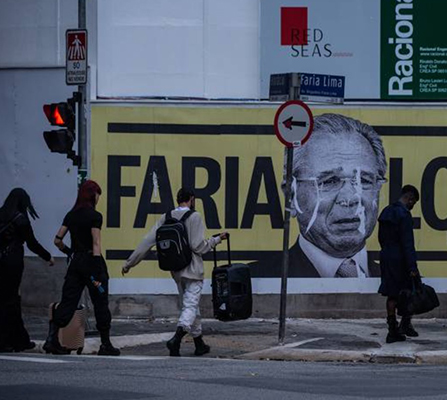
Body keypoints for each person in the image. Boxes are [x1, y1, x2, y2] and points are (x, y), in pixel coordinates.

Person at [251, 113, 387, 278]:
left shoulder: (406, 286)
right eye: (329, 182)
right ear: (291, 196)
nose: (350, 198)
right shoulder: (257, 280)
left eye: (364, 181)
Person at [121, 188, 227, 357]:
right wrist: (216, 240)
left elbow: (147, 241)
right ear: (191, 199)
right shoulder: (195, 216)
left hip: (176, 270)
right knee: (190, 306)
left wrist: (129, 263)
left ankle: (199, 344)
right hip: (193, 270)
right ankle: (176, 339)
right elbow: (198, 246)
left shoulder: (166, 217)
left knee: (191, 307)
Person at [43, 180, 120, 356]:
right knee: (100, 301)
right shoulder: (95, 216)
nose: (99, 198)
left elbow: (57, 240)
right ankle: (106, 344)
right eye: (98, 194)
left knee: (68, 300)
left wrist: (69, 252)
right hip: (92, 263)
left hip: (76, 263)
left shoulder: (71, 215)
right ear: (93, 195)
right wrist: (98, 271)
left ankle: (52, 339)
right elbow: (96, 243)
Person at [0, 188, 54, 352]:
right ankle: (14, 341)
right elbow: (32, 243)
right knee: (11, 301)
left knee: (4, 300)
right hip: (12, 261)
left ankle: (15, 340)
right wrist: (47, 256)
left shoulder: (1, 214)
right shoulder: (20, 219)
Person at [377, 185, 421, 343]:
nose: (412, 206)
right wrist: (412, 267)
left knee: (391, 293)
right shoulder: (404, 215)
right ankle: (404, 324)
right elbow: (407, 243)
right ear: (409, 198)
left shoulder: (386, 211)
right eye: (413, 202)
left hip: (386, 255)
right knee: (408, 291)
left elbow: (381, 238)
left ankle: (392, 328)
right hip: (401, 258)